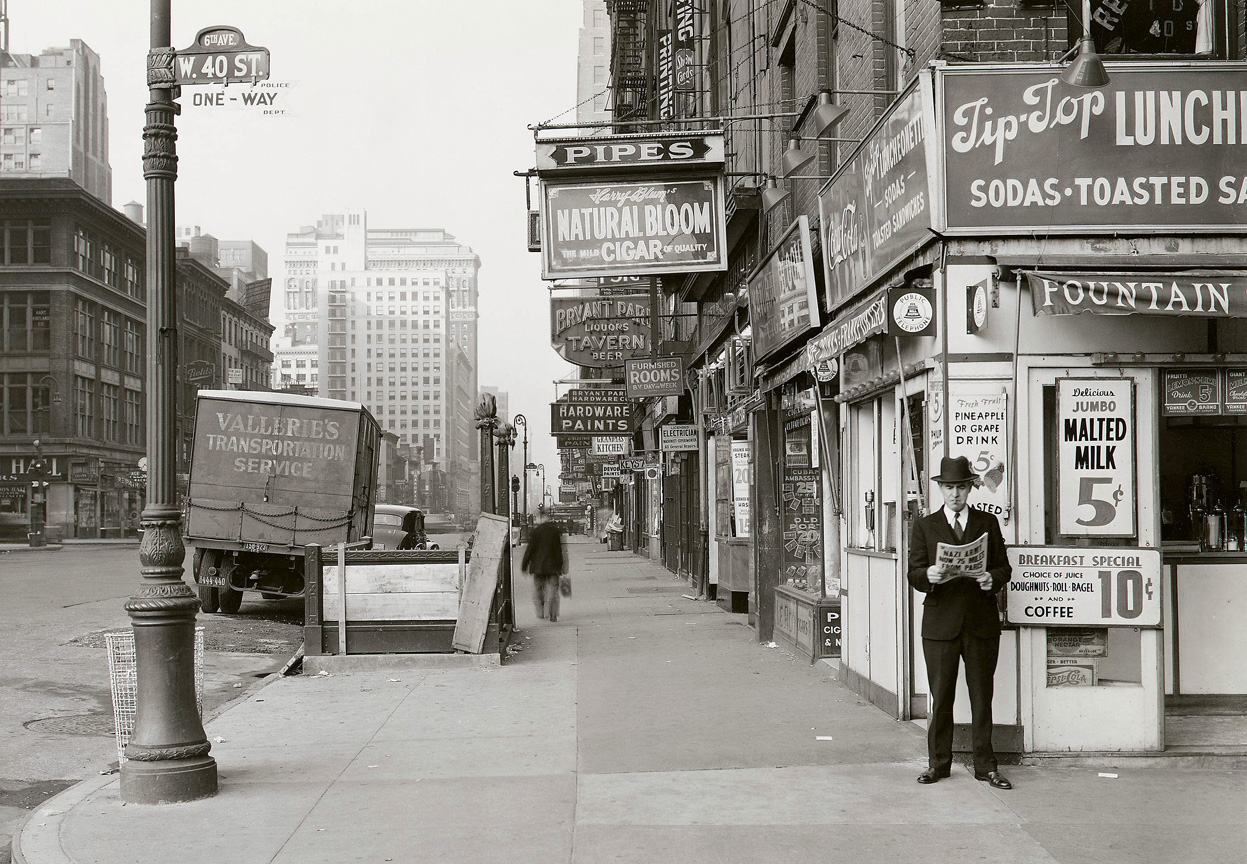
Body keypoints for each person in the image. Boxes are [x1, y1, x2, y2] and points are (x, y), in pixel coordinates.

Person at [907, 455, 1013, 790]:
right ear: (940, 489)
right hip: (940, 624)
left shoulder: (987, 523)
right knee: (941, 697)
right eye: (949, 487)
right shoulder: (925, 525)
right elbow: (913, 572)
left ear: (970, 489)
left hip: (980, 622)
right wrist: (929, 574)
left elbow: (1003, 568)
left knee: (982, 696)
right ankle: (937, 764)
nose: (955, 494)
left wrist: (989, 579)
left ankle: (986, 766)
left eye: (961, 488)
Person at [521, 516, 567, 623]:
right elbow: (559, 551)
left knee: (538, 589)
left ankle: (540, 611)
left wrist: (524, 565)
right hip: (553, 566)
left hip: (538, 567)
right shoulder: (555, 532)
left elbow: (529, 550)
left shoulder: (535, 532)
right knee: (553, 590)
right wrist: (561, 566)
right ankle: (553, 614)